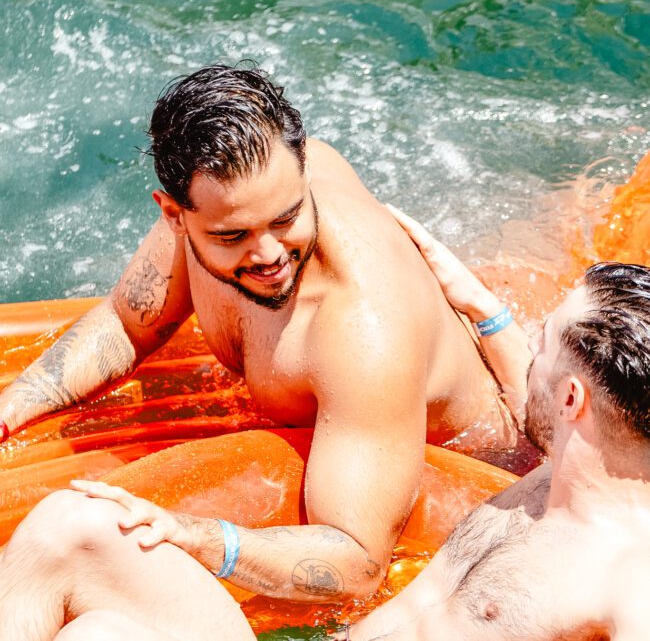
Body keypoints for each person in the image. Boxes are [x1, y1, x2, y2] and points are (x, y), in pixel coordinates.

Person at [0, 64, 514, 639]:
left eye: (287, 217)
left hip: (450, 487)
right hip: (335, 445)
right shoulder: (216, 205)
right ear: (175, 214)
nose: (269, 254)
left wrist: (195, 534)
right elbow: (128, 321)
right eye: (232, 236)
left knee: (69, 544)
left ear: (302, 171)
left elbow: (357, 561)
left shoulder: (363, 331)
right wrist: (13, 408)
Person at [344, 210, 650, 640]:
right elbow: (537, 404)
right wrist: (479, 304)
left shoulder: (629, 578)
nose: (531, 348)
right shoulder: (569, 468)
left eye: (542, 340)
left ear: (570, 399)